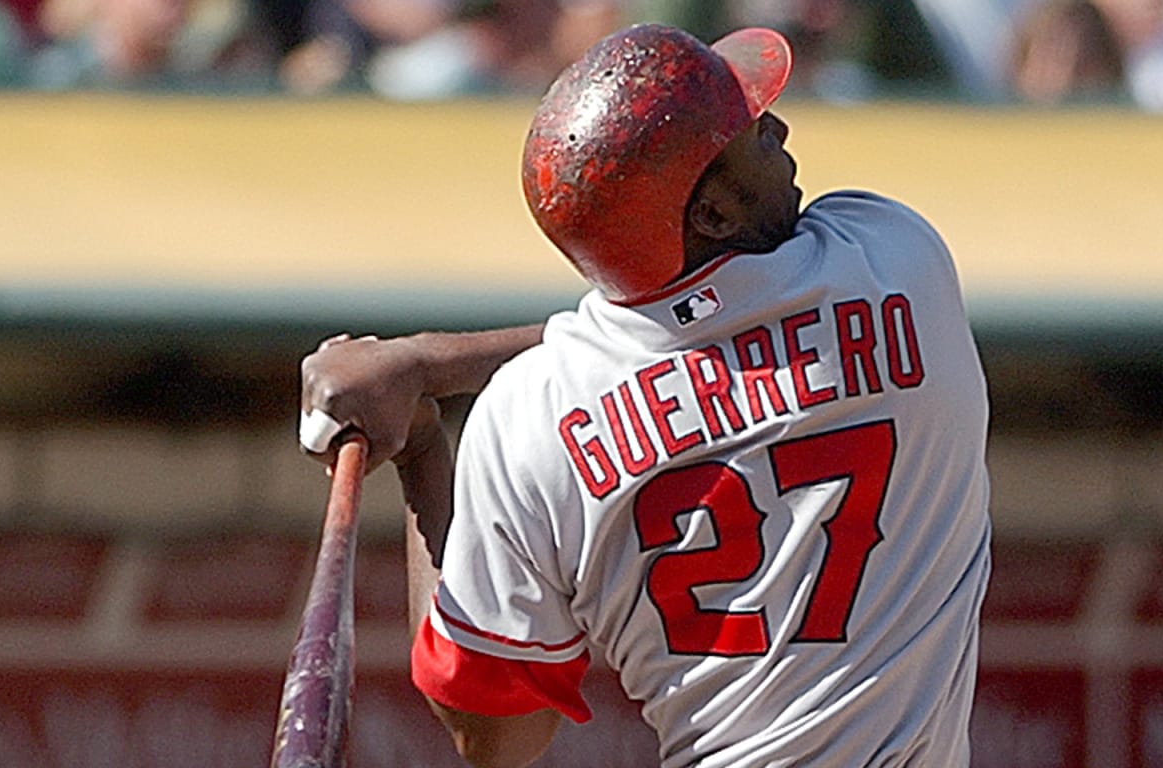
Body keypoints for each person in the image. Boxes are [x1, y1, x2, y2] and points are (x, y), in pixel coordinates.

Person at [298, 23, 991, 767]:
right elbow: (718, 330)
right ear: (714, 216)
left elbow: (497, 737)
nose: (778, 128)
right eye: (751, 135)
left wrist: (424, 439)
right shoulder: (894, 257)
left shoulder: (527, 419)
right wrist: (431, 365)